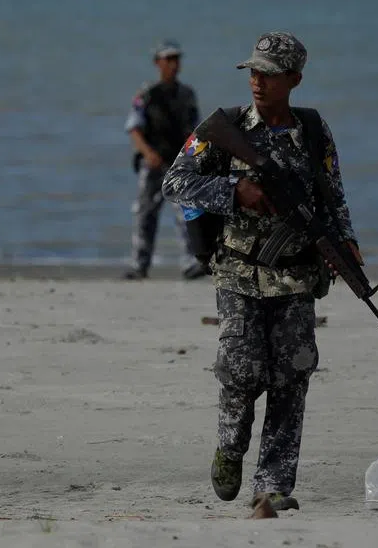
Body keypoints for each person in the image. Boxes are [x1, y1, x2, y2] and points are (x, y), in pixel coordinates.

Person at [162, 32, 360, 513]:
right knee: (242, 372)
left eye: (269, 74)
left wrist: (346, 244)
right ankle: (230, 446)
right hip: (237, 272)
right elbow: (175, 182)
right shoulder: (226, 127)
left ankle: (271, 485)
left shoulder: (313, 130)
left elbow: (332, 197)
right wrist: (235, 191)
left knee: (292, 377)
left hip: (295, 277)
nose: (257, 81)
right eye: (252, 72)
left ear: (294, 79)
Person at [124, 39, 208, 281]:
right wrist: (147, 152)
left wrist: (195, 158)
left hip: (178, 163)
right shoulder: (147, 94)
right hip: (153, 163)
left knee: (187, 213)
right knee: (144, 214)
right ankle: (139, 265)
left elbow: (197, 131)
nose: (173, 64)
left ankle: (191, 263)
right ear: (157, 63)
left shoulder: (187, 94)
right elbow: (134, 128)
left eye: (176, 59)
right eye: (168, 59)